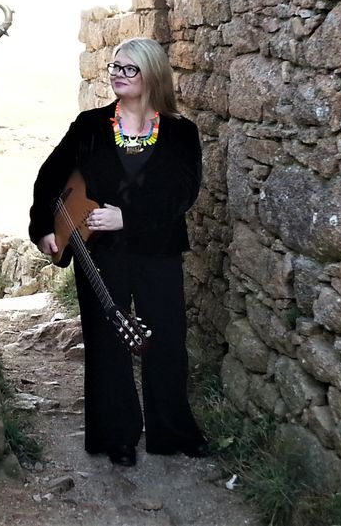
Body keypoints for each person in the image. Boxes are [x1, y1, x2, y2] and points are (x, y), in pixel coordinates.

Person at [29, 37, 208, 467]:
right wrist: (42, 228)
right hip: (100, 252)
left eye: (128, 68)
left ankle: (172, 431)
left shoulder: (181, 132)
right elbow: (50, 176)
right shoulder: (90, 126)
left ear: (151, 75)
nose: (117, 75)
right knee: (107, 343)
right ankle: (116, 437)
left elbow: (183, 194)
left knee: (164, 340)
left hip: (158, 249)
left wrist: (127, 216)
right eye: (114, 67)